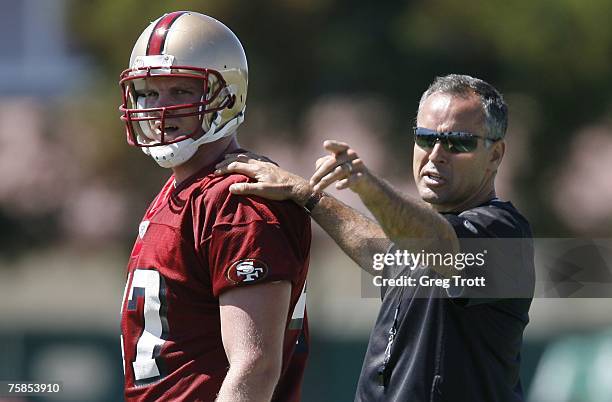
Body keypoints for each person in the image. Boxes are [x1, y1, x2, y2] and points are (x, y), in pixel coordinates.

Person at [216, 74, 535, 401]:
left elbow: (438, 245)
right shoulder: (419, 242)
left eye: (459, 142)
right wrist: (307, 194)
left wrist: (368, 186)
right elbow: (379, 249)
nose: (436, 154)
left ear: (495, 155)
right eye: (426, 139)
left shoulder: (505, 235)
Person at [118, 11, 310, 402]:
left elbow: (254, 366)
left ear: (228, 96)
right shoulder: (183, 190)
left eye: (181, 91)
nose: (160, 109)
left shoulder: (236, 203)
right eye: (150, 92)